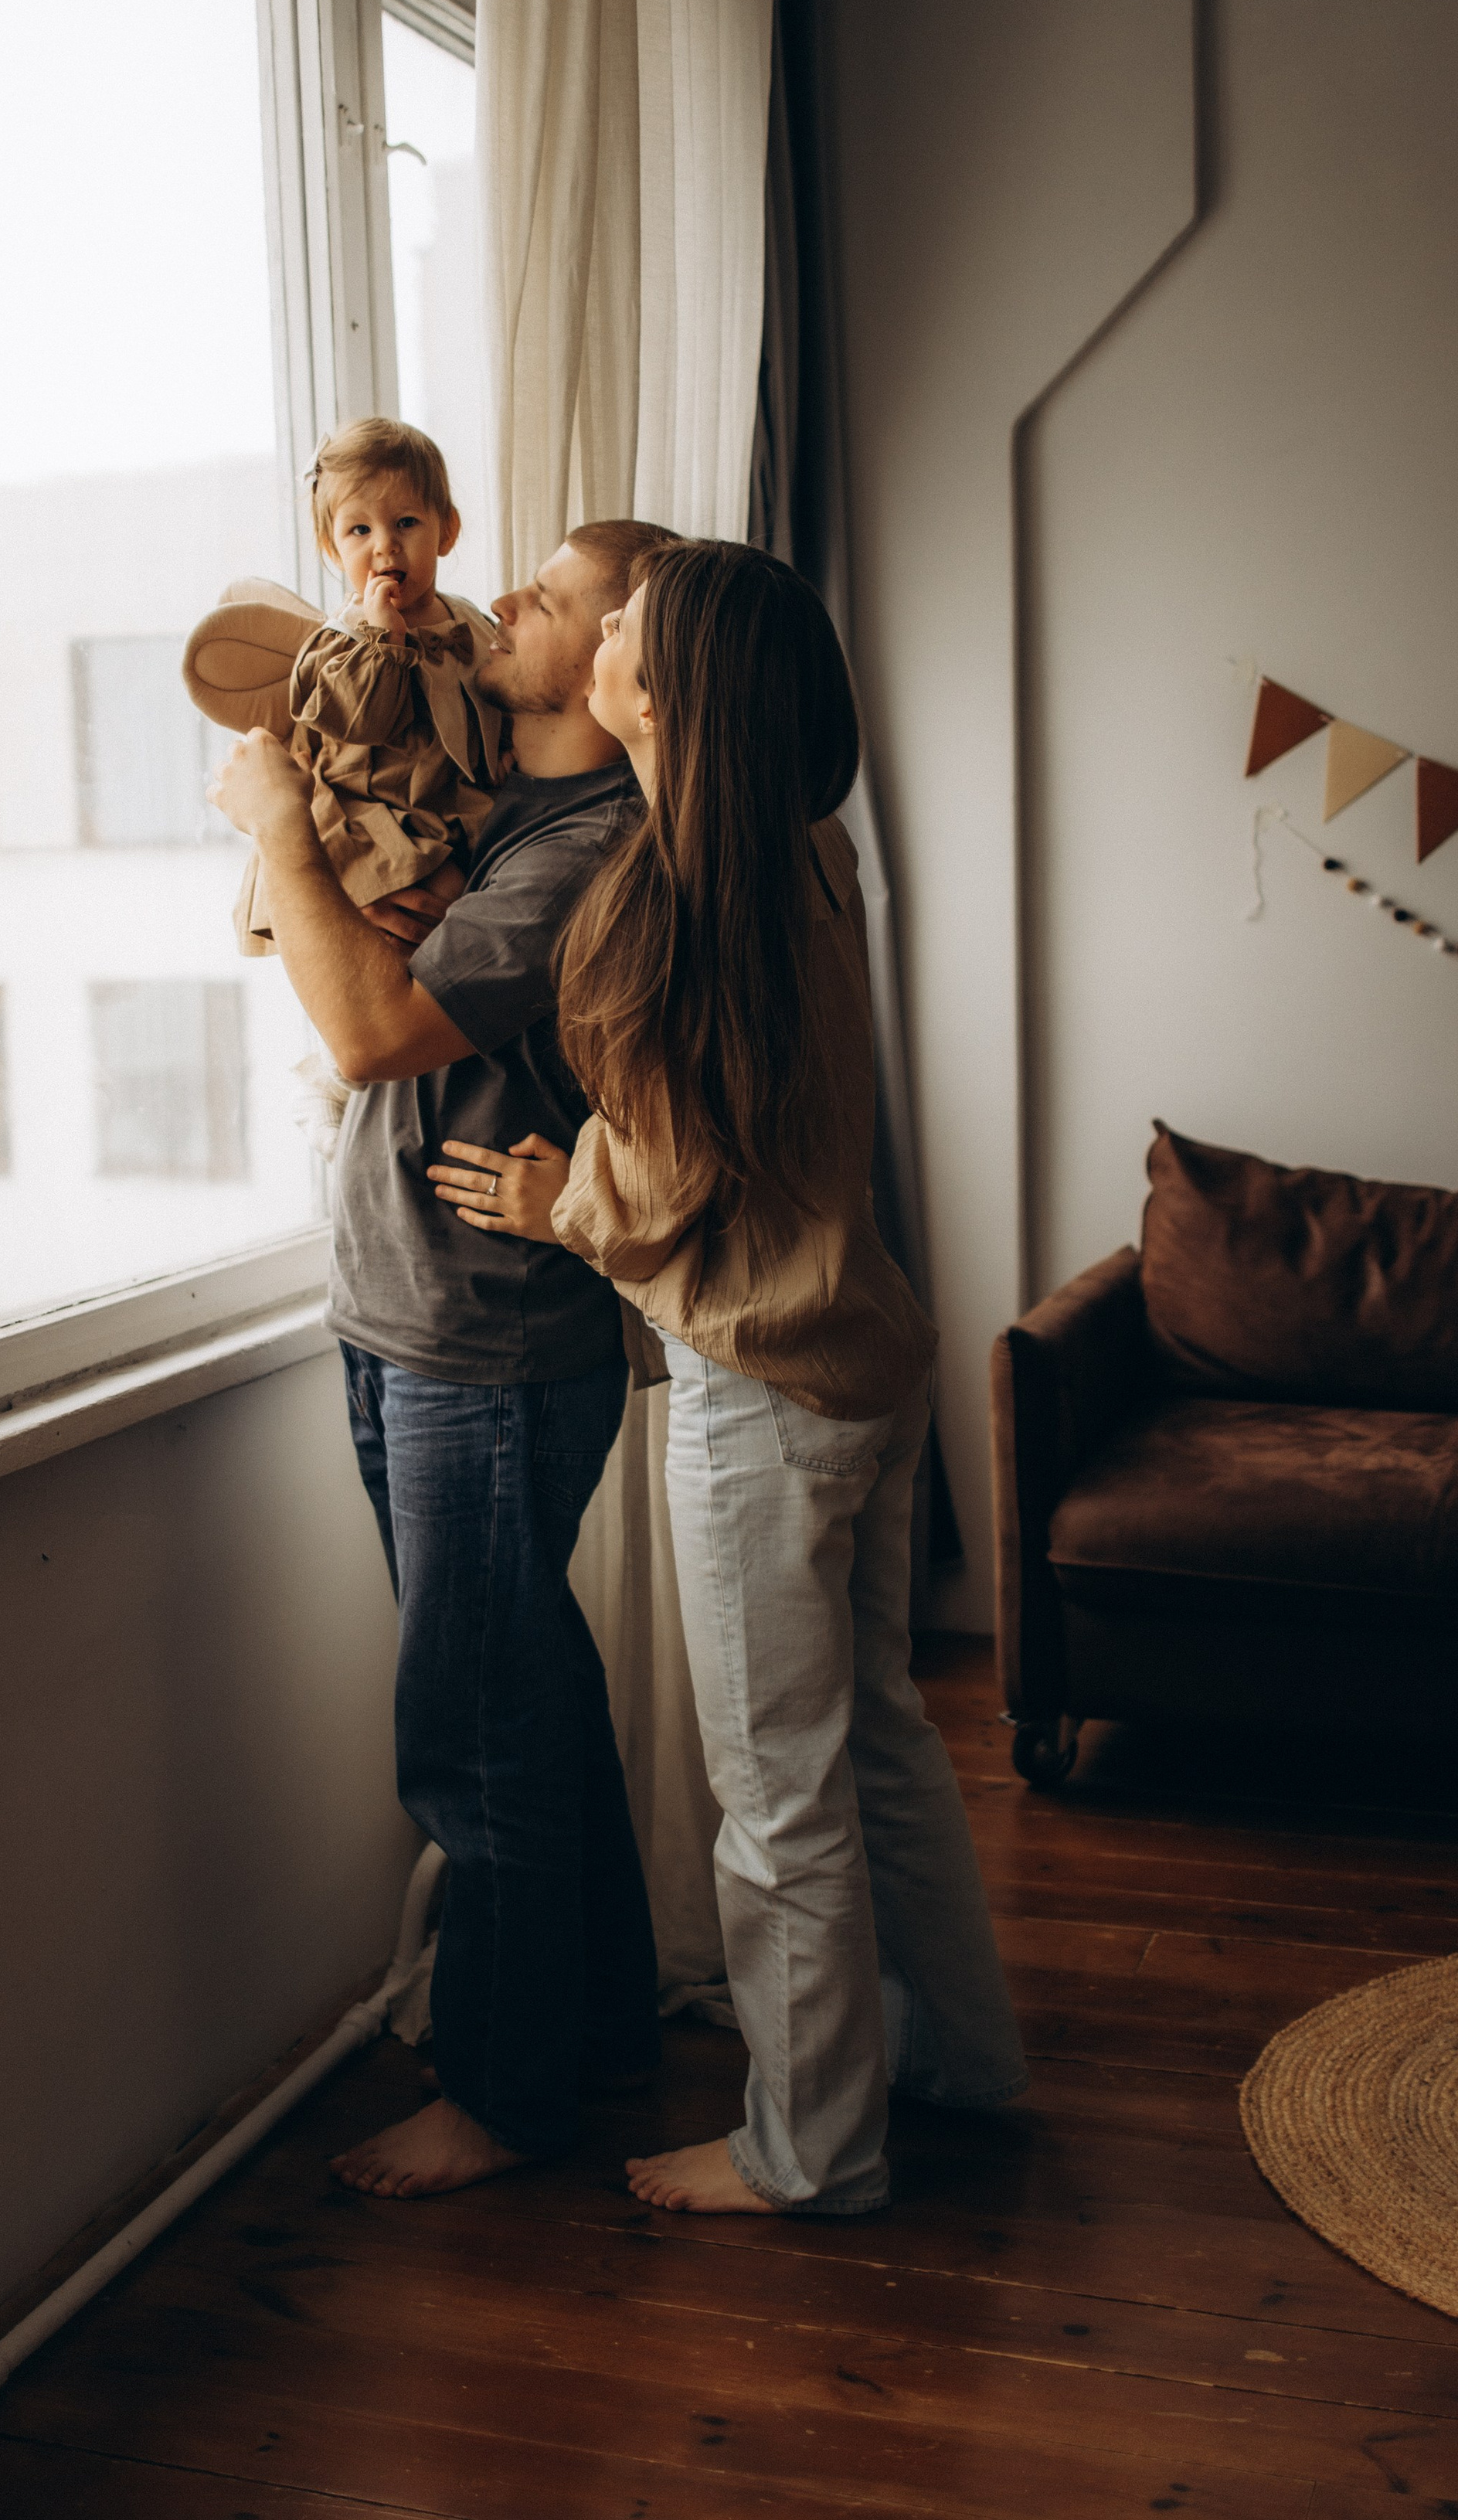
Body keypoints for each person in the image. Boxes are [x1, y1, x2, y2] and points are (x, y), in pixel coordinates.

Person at [428, 539, 1025, 2216]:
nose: (598, 633)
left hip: (761, 1381)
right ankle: (957, 2058)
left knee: (773, 1799)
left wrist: (564, 1197)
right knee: (882, 1741)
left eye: (620, 624)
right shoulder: (799, 851)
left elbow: (676, 1172)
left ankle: (808, 2152)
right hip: (866, 1348)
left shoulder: (665, 904)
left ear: (665, 695)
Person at [209, 519, 668, 2199]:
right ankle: (598, 2023)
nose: (510, 603)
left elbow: (376, 1030)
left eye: (548, 599)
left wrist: (278, 836)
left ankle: (504, 2095)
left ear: (618, 664)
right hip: (412, 1315)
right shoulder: (508, 809)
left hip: (480, 1344)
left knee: (471, 1727)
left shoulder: (586, 845)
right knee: (530, 1698)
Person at [183, 417, 503, 958]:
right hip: (374, 816)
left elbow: (494, 693)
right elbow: (363, 720)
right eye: (359, 531)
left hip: (452, 805)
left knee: (469, 902)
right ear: (332, 549)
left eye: (406, 523)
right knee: (398, 931)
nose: (385, 548)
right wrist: (383, 640)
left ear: (446, 531)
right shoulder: (343, 640)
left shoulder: (467, 622)